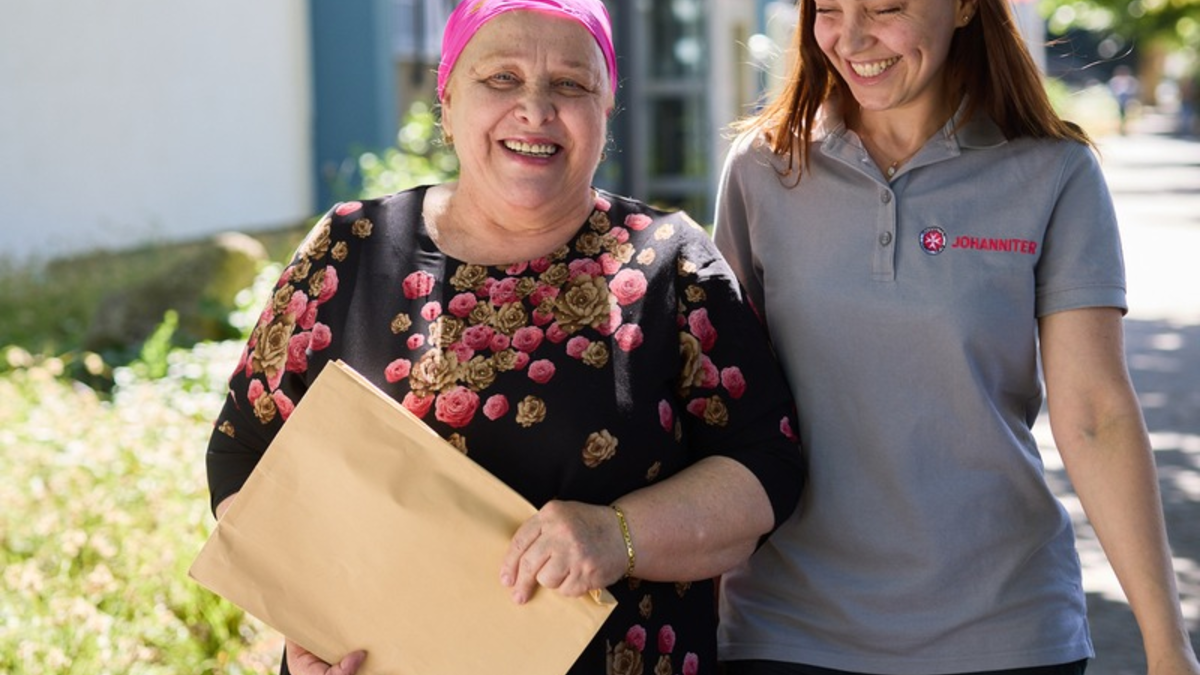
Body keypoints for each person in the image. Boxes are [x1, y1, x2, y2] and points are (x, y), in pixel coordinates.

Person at [204, 1, 804, 674]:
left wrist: (620, 535)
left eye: (571, 85)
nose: (535, 109)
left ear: (606, 110)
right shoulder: (351, 252)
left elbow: (766, 469)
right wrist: (312, 615)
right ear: (449, 96)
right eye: (501, 78)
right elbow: (245, 453)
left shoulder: (671, 266)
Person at [712, 0, 1200, 673]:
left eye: (884, 7)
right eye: (828, 8)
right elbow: (722, 409)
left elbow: (1096, 417)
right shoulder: (763, 170)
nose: (852, 38)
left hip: (1005, 626)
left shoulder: (1055, 171)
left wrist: (1169, 647)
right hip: (788, 628)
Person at [1108, 65, 1140, 135]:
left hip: (1127, 100)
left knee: (1128, 115)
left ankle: (1126, 129)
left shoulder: (1130, 80)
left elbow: (1133, 89)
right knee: (1118, 115)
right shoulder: (1115, 80)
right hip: (1118, 100)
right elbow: (1112, 90)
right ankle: (1119, 129)